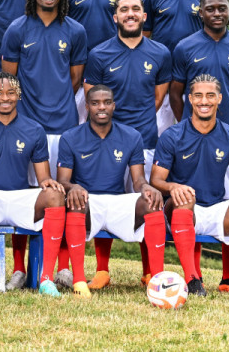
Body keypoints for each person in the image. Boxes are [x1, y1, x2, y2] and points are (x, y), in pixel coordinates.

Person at [150, 74, 229, 299]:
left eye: (210, 95)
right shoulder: (172, 135)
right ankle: (192, 280)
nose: (204, 101)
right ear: (190, 98)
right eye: (199, 95)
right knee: (186, 197)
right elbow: (156, 180)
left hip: (217, 208)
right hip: (183, 209)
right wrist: (173, 187)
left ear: (219, 99)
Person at [1, 0, 87, 288]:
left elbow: (74, 79)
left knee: (60, 194)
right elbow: (9, 80)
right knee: (25, 195)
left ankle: (62, 267)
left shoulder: (76, 30)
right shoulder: (17, 29)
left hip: (64, 126)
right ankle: (19, 268)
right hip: (26, 127)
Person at [168, 0, 229, 295]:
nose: (217, 13)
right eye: (211, 8)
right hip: (192, 140)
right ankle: (194, 278)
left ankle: (228, 279)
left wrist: (226, 129)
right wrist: (190, 127)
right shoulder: (185, 47)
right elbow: (176, 93)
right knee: (191, 202)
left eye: (222, 8)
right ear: (200, 12)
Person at [83, 0, 171, 288]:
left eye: (135, 9)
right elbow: (93, 100)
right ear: (115, 17)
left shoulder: (161, 53)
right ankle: (102, 270)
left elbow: (157, 98)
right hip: (105, 143)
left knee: (148, 201)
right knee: (105, 199)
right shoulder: (99, 54)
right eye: (124, 9)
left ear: (144, 16)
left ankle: (149, 271)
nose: (130, 14)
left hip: (145, 141)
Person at [0, 72, 68, 296]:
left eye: (10, 92)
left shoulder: (34, 129)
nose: (5, 98)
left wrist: (49, 182)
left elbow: (43, 178)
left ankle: (46, 278)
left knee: (55, 195)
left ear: (19, 95)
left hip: (20, 197)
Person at [55, 85, 167, 298]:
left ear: (114, 106)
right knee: (76, 200)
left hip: (118, 201)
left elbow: (138, 180)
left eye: (106, 102)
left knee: (151, 202)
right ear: (87, 107)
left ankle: (157, 279)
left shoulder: (132, 136)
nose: (101, 107)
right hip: (88, 201)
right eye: (95, 103)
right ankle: (79, 280)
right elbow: (63, 181)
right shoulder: (70, 137)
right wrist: (74, 186)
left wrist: (146, 187)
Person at [66, 0, 132, 122]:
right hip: (78, 66)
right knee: (77, 124)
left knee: (114, 122)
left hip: (114, 64)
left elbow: (129, 26)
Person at [142, 0, 205, 134]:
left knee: (194, 132)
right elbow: (142, 39)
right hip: (163, 75)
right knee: (160, 132)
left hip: (195, 73)